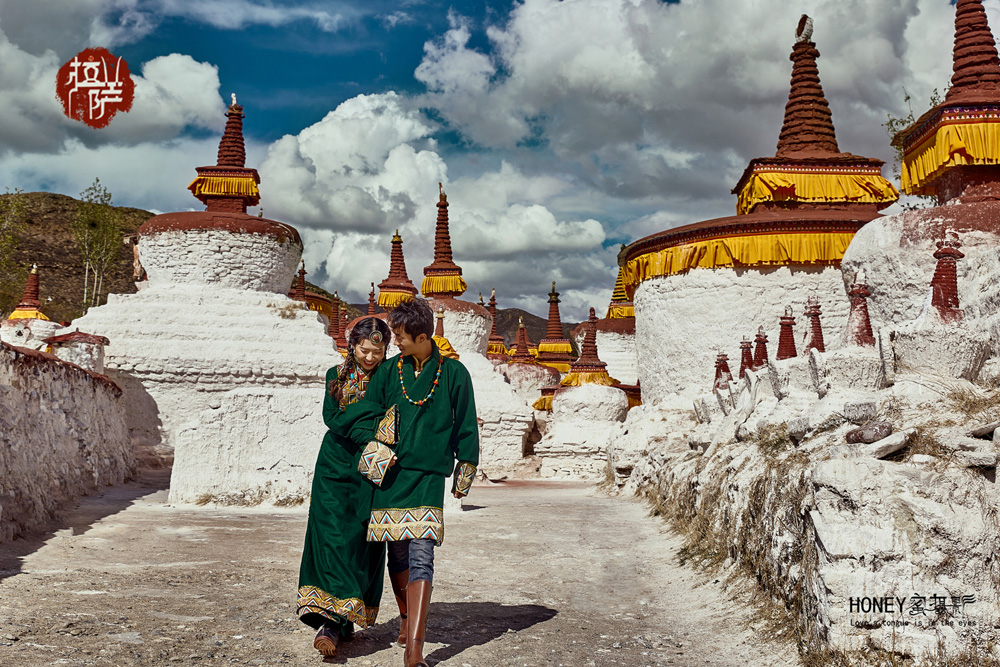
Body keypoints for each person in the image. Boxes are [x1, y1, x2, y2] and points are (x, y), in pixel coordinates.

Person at [349, 297, 480, 667]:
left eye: (402, 336)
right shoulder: (391, 371)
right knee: (397, 552)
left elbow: (467, 425)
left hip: (426, 477)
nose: (396, 342)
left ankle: (415, 649)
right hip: (390, 476)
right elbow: (367, 414)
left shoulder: (455, 374)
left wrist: (464, 472)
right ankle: (406, 622)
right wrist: (375, 439)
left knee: (423, 554)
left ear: (423, 336)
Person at [296, 316, 392, 658]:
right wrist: (368, 427)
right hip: (334, 467)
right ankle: (330, 622)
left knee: (359, 538)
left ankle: (343, 618)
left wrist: (369, 425)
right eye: (364, 350)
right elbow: (333, 419)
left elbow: (392, 416)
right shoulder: (334, 376)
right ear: (352, 346)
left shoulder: (390, 376)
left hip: (369, 469)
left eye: (377, 351)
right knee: (330, 536)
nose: (370, 357)